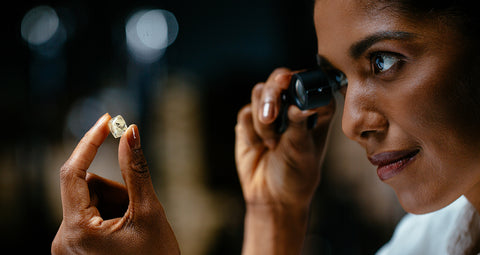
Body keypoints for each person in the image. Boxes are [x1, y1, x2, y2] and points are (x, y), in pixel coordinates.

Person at [52, 0, 480, 254]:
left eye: (383, 61)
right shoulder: (429, 241)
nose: (351, 123)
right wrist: (273, 214)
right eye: (342, 81)